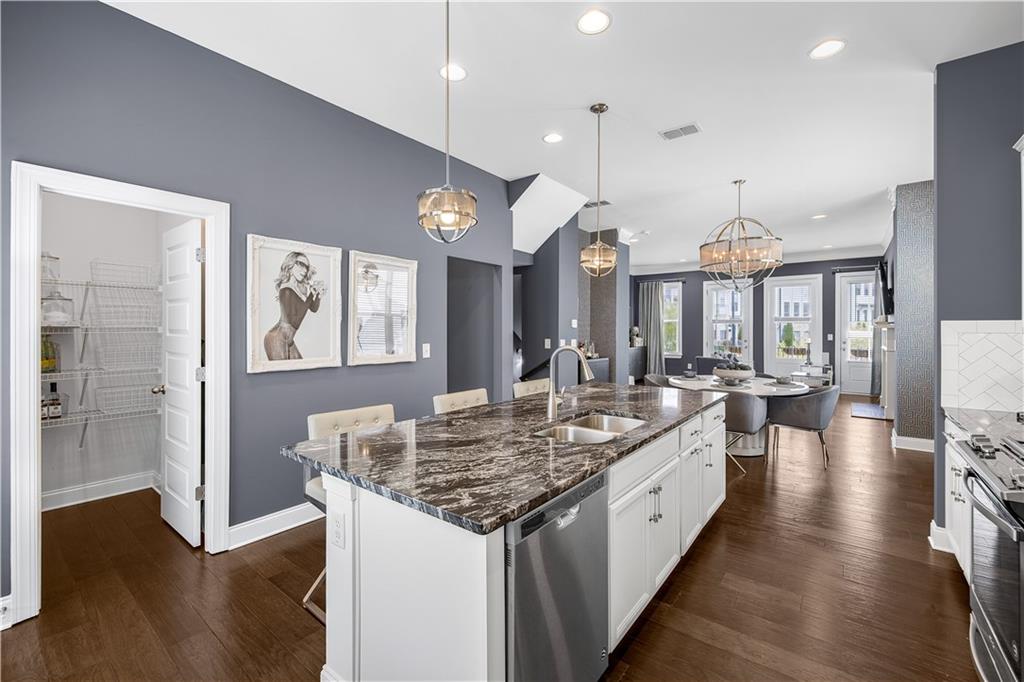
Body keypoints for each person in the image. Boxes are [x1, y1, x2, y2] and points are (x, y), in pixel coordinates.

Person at [264, 251, 321, 360]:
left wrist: (318, 294)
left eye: (306, 267)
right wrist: (311, 294)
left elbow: (314, 308)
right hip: (276, 338)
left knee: (302, 372)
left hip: (288, 339)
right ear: (290, 265)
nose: (304, 270)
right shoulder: (286, 290)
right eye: (300, 264)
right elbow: (294, 318)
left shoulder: (299, 289)